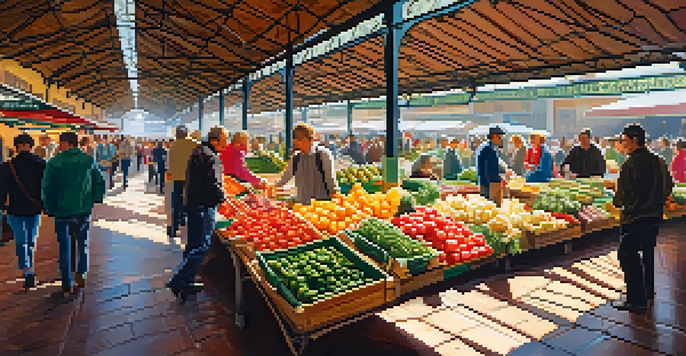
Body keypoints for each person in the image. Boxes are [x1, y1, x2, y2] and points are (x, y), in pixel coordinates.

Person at [612, 124, 673, 313]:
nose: (622, 144)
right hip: (654, 215)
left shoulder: (629, 164)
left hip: (635, 216)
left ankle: (636, 300)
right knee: (647, 252)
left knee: (627, 254)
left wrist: (618, 201)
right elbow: (669, 185)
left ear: (633, 140)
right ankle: (648, 291)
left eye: (624, 140)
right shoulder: (659, 161)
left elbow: (620, 197)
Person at [167, 127, 228, 301]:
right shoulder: (212, 157)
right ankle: (178, 279)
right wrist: (223, 199)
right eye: (225, 139)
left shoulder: (198, 151)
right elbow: (214, 184)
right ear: (215, 140)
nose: (226, 142)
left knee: (193, 243)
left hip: (192, 203)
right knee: (202, 245)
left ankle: (187, 279)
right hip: (203, 205)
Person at [42, 131, 106, 296]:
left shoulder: (54, 162)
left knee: (65, 248)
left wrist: (49, 207)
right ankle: (81, 275)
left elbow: (47, 188)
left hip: (62, 212)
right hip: (83, 210)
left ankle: (66, 282)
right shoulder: (87, 160)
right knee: (82, 244)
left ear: (65, 143)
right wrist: (95, 199)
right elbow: (99, 181)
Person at [0, 134, 46, 289]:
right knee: (31, 239)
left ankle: (28, 271)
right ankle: (29, 267)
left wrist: (2, 207)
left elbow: (1, 189)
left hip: (14, 208)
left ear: (16, 146)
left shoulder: (8, 165)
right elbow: (45, 187)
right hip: (34, 208)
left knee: (20, 240)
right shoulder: (41, 164)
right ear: (31, 145)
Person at [273, 123, 338, 205]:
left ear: (310, 139)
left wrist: (336, 200)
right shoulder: (296, 158)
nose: (296, 142)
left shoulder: (322, 154)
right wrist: (271, 187)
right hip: (301, 206)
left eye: (299, 139)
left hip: (321, 207)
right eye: (295, 139)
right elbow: (284, 179)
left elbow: (331, 181)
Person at [168, 126, 198, 238]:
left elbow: (170, 162)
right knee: (190, 202)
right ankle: (190, 227)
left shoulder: (173, 145)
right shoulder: (194, 143)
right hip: (192, 178)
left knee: (176, 202)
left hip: (177, 178)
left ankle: (174, 228)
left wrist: (171, 173)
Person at [476, 126, 506, 205]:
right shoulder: (489, 149)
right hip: (489, 185)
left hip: (483, 182)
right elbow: (490, 171)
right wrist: (496, 184)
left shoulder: (483, 147)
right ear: (494, 136)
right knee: (490, 206)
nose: (501, 140)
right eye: (500, 137)